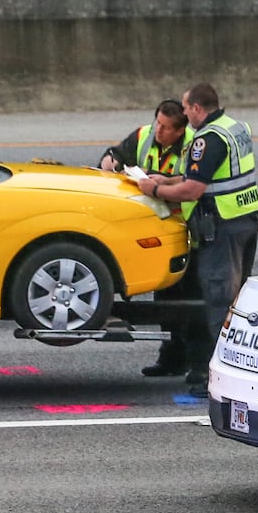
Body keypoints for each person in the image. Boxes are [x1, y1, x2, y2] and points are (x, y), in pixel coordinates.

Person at [136, 83, 258, 391]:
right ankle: (236, 371)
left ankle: (222, 380)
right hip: (244, 220)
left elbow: (193, 189)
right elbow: (206, 173)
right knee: (235, 301)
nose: (186, 114)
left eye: (186, 108)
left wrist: (155, 189)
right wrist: (169, 178)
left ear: (196, 109)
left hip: (222, 227)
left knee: (219, 303)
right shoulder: (235, 127)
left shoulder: (208, 138)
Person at [101, 99, 202, 378]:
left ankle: (198, 364)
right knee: (166, 298)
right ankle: (171, 360)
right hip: (157, 230)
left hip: (187, 228)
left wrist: (162, 183)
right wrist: (110, 161)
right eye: (158, 123)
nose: (159, 131)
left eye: (167, 128)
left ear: (180, 131)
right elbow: (117, 153)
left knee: (192, 299)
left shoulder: (196, 144)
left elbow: (196, 182)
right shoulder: (144, 135)